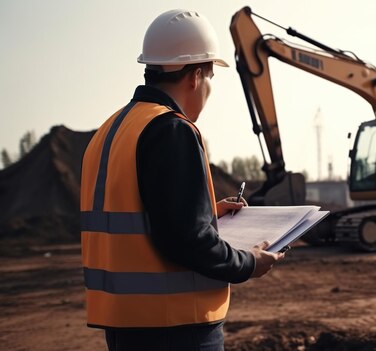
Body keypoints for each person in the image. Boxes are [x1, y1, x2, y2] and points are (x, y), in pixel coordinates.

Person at [80, 9, 284, 351]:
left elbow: (145, 218)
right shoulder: (172, 130)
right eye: (210, 78)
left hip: (126, 325)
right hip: (176, 327)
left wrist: (206, 213)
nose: (208, 89)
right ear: (195, 76)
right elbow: (186, 240)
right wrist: (249, 263)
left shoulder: (111, 131)